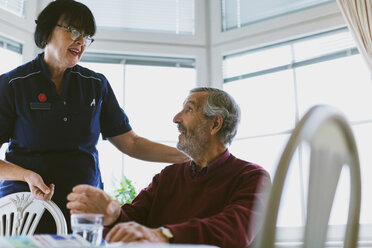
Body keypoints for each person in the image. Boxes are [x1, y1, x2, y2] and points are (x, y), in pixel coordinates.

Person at [0, 0, 187, 232]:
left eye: (87, 36)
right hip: (25, 211)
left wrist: (186, 157)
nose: (81, 41)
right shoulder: (13, 84)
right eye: (73, 31)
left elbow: (131, 143)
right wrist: (26, 175)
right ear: (47, 32)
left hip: (84, 211)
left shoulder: (96, 84)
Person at [67, 87, 271, 248]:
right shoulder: (168, 176)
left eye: (189, 109)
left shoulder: (252, 177)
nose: (176, 118)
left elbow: (234, 230)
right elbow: (134, 223)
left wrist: (164, 235)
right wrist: (113, 215)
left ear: (215, 124)